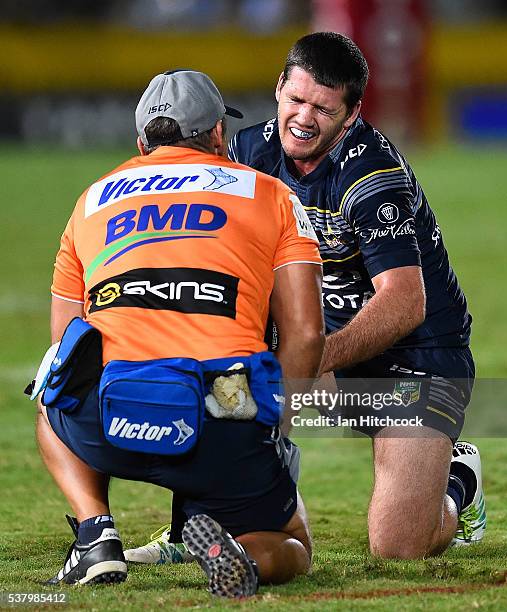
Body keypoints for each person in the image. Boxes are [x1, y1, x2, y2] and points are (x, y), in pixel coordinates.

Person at [131, 32, 485, 563]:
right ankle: (194, 529)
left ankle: (460, 484)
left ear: (350, 113)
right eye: (296, 99)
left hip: (417, 357)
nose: (304, 118)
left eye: (323, 108)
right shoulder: (250, 153)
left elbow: (405, 303)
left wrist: (310, 357)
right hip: (326, 342)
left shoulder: (371, 175)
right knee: (220, 379)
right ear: (278, 88)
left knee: (398, 549)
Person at [33, 69, 324, 597]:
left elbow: (66, 343)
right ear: (218, 134)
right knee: (293, 542)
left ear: (141, 142)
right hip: (222, 413)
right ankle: (243, 558)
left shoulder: (91, 200)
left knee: (52, 392)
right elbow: (305, 333)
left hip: (112, 418)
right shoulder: (272, 194)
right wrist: (276, 430)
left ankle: (95, 534)